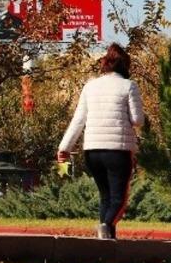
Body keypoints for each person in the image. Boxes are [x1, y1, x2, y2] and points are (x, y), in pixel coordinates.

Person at [57, 44, 145, 239]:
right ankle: (105, 226)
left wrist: (64, 147)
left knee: (106, 196)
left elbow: (78, 119)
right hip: (118, 151)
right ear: (125, 66)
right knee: (119, 200)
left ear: (105, 64)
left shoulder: (90, 86)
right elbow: (138, 120)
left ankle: (106, 240)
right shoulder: (129, 86)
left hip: (92, 152)